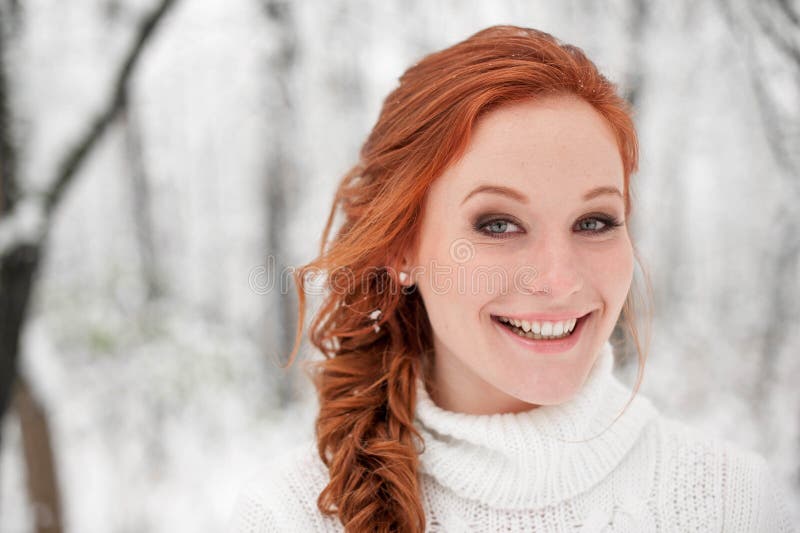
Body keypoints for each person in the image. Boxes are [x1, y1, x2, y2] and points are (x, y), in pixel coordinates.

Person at [227, 24, 795, 532]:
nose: (558, 279)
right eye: (498, 224)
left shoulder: (734, 503)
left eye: (594, 221)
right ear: (400, 248)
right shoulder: (290, 517)